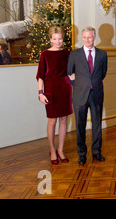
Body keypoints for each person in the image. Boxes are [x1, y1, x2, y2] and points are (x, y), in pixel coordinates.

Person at [67, 26, 108, 166]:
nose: (87, 40)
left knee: (97, 125)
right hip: (80, 95)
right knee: (80, 126)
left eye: (89, 37)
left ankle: (97, 152)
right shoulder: (74, 54)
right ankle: (82, 154)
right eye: (84, 37)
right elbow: (69, 73)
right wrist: (80, 85)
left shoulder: (102, 54)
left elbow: (103, 73)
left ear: (94, 38)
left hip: (96, 94)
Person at [36, 26, 73, 164]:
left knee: (64, 120)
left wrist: (73, 76)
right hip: (51, 89)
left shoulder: (67, 53)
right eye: (55, 39)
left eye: (60, 39)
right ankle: (52, 149)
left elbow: (72, 70)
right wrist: (40, 93)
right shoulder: (45, 54)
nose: (58, 42)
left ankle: (61, 150)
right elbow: (40, 76)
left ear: (63, 39)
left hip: (65, 89)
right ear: (50, 39)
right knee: (52, 120)